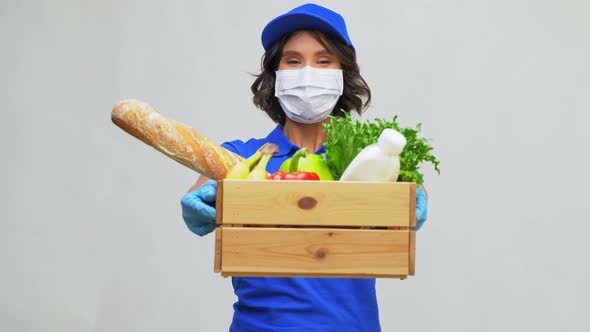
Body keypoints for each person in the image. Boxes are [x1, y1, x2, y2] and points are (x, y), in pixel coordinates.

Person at [180, 3, 428, 331]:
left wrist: (411, 197)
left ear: (343, 74)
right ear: (276, 75)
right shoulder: (241, 158)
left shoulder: (365, 161)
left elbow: (415, 197)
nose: (307, 73)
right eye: (293, 61)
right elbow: (195, 203)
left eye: (323, 61)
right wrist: (205, 200)